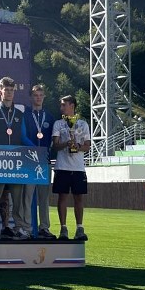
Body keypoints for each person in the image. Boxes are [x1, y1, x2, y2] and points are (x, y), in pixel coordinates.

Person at [0, 76, 31, 239]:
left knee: (17, 197)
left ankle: (19, 227)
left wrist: (37, 150)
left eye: (11, 90)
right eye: (6, 90)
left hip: (16, 162)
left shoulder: (19, 114)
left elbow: (23, 137)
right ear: (0, 91)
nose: (9, 93)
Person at [51, 95, 91, 241]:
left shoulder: (83, 124)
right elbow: (55, 145)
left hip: (78, 167)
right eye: (61, 105)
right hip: (62, 166)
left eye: (64, 105)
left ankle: (80, 228)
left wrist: (78, 146)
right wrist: (66, 144)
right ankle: (63, 228)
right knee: (62, 197)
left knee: (78, 197)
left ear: (72, 106)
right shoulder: (58, 124)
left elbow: (87, 146)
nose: (61, 108)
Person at [22, 84, 57, 240]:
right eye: (35, 95)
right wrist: (34, 149)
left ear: (44, 97)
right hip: (29, 160)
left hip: (44, 160)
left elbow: (53, 139)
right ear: (31, 97)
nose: (38, 98)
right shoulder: (25, 115)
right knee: (28, 196)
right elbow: (23, 136)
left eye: (41, 95)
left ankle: (44, 228)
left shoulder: (49, 116)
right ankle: (27, 228)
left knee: (44, 197)